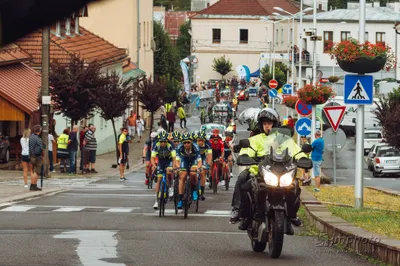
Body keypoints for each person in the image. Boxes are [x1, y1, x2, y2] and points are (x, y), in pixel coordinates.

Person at [231, 108, 303, 235]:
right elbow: (247, 150)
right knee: (244, 182)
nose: (267, 126)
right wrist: (245, 156)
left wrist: (303, 158)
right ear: (261, 125)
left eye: (269, 123)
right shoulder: (256, 139)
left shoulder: (284, 139)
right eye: (265, 123)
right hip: (259, 172)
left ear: (275, 124)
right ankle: (242, 214)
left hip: (281, 171)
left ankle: (291, 216)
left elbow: (297, 150)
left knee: (295, 186)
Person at [175, 133, 202, 209]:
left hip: (193, 160)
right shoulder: (179, 147)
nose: (186, 144)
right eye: (184, 143)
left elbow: (199, 161)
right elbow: (177, 161)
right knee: (182, 176)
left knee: (193, 173)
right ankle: (180, 199)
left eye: (188, 142)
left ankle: (194, 190)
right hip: (184, 160)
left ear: (191, 142)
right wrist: (178, 167)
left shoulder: (196, 147)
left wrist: (198, 168)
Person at [151, 131, 177, 209]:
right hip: (161, 161)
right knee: (159, 179)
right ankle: (156, 201)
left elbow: (174, 158)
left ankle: (171, 187)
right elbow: (152, 157)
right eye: (161, 141)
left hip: (169, 160)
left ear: (167, 141)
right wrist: (154, 165)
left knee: (169, 172)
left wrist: (173, 166)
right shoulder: (156, 145)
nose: (162, 143)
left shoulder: (170, 145)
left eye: (164, 141)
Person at [195, 131, 211, 201]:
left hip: (203, 158)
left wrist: (208, 164)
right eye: (199, 140)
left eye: (202, 140)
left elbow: (209, 156)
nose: (200, 142)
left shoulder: (208, 144)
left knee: (203, 172)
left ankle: (201, 193)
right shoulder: (193, 143)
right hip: (195, 157)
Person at [29, 125, 44, 191]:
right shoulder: (38, 138)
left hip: (31, 155)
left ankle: (31, 185)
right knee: (37, 171)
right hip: (37, 156)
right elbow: (41, 148)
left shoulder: (31, 137)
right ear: (40, 131)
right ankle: (34, 185)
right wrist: (42, 155)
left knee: (32, 171)